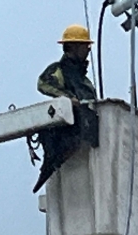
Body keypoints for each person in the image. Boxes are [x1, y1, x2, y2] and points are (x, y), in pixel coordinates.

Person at [32, 24, 99, 193]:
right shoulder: (59, 70)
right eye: (85, 46)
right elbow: (44, 83)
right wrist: (68, 98)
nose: (88, 50)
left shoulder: (85, 82)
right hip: (69, 128)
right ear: (73, 47)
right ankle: (52, 161)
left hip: (86, 130)